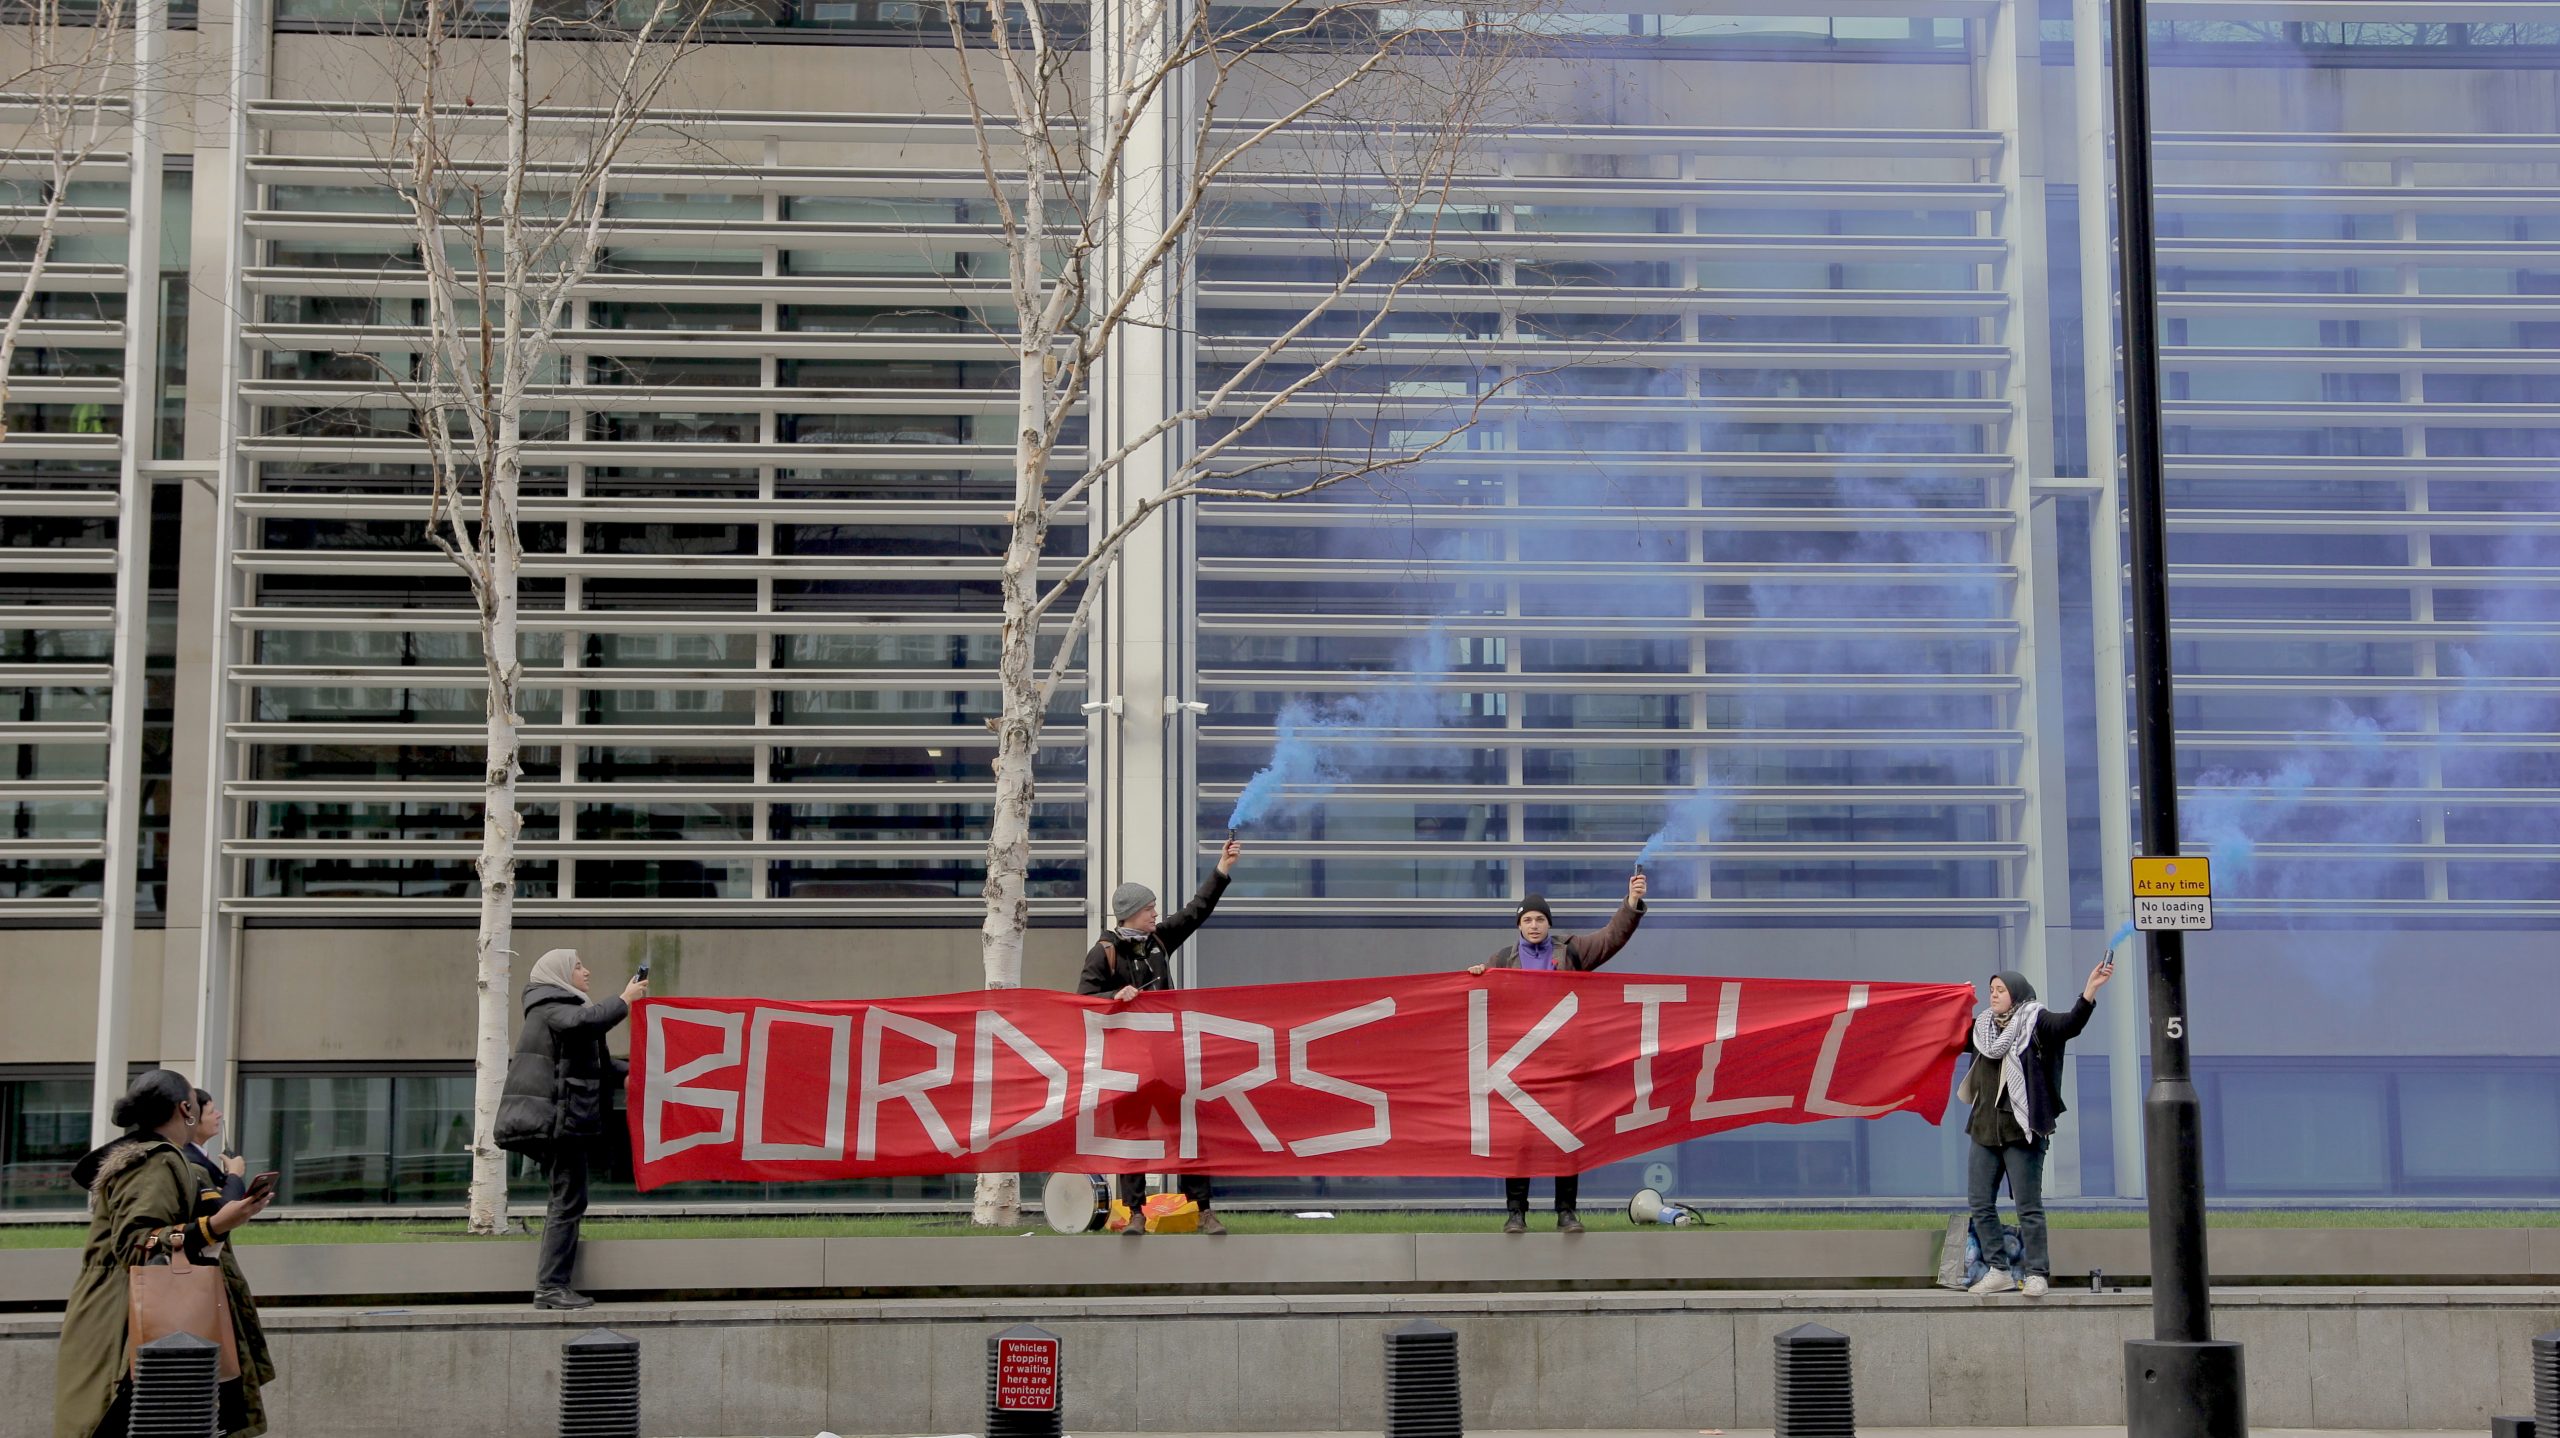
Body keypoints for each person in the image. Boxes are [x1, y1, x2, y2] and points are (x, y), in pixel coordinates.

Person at [55, 1069, 274, 1438]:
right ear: (185, 1108)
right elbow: (136, 1242)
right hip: (132, 1326)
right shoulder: (153, 1161)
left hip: (150, 1322)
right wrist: (216, 1225)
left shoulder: (161, 1157)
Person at [1075, 835, 1243, 1237]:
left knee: (1189, 1130)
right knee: (1132, 1137)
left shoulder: (1159, 941)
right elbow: (1082, 1000)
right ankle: (1134, 1214)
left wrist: (1222, 869)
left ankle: (1203, 1210)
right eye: (1149, 909)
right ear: (1131, 914)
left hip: (1169, 1061)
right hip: (1128, 1067)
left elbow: (1196, 912)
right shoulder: (1104, 951)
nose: (1156, 913)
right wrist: (1113, 995)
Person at [1467, 871, 1649, 1233]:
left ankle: (1566, 1212)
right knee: (1519, 1141)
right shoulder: (1503, 959)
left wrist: (1631, 904)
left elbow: (1611, 938)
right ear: (1518, 926)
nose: (1534, 925)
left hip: (1565, 1060)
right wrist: (1475, 975)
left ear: (1549, 923)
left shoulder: (1572, 950)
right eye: (1527, 920)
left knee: (1566, 1135)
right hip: (1520, 1064)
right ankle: (1516, 1213)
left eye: (1539, 919)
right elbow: (1484, 1002)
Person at [495, 947, 645, 1310]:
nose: (586, 971)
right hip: (557, 1121)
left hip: (566, 1120)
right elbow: (585, 1023)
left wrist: (635, 1075)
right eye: (578, 966)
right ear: (560, 974)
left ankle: (552, 1285)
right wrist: (625, 1000)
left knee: (568, 1199)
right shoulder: (551, 1007)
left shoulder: (567, 1008)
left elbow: (601, 1065)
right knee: (567, 1200)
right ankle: (550, 1287)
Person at [1962, 960, 2113, 1296]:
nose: (1994, 995)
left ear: (2016, 993)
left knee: (2028, 1205)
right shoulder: (1982, 1029)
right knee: (1980, 1202)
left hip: (2022, 1130)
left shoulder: (2035, 1021)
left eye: (2001, 990)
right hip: (1984, 1130)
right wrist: (1953, 1002)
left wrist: (2089, 991)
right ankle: (1998, 1269)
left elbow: (2070, 1025)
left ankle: (2037, 1273)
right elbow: (1945, 1033)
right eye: (1991, 990)